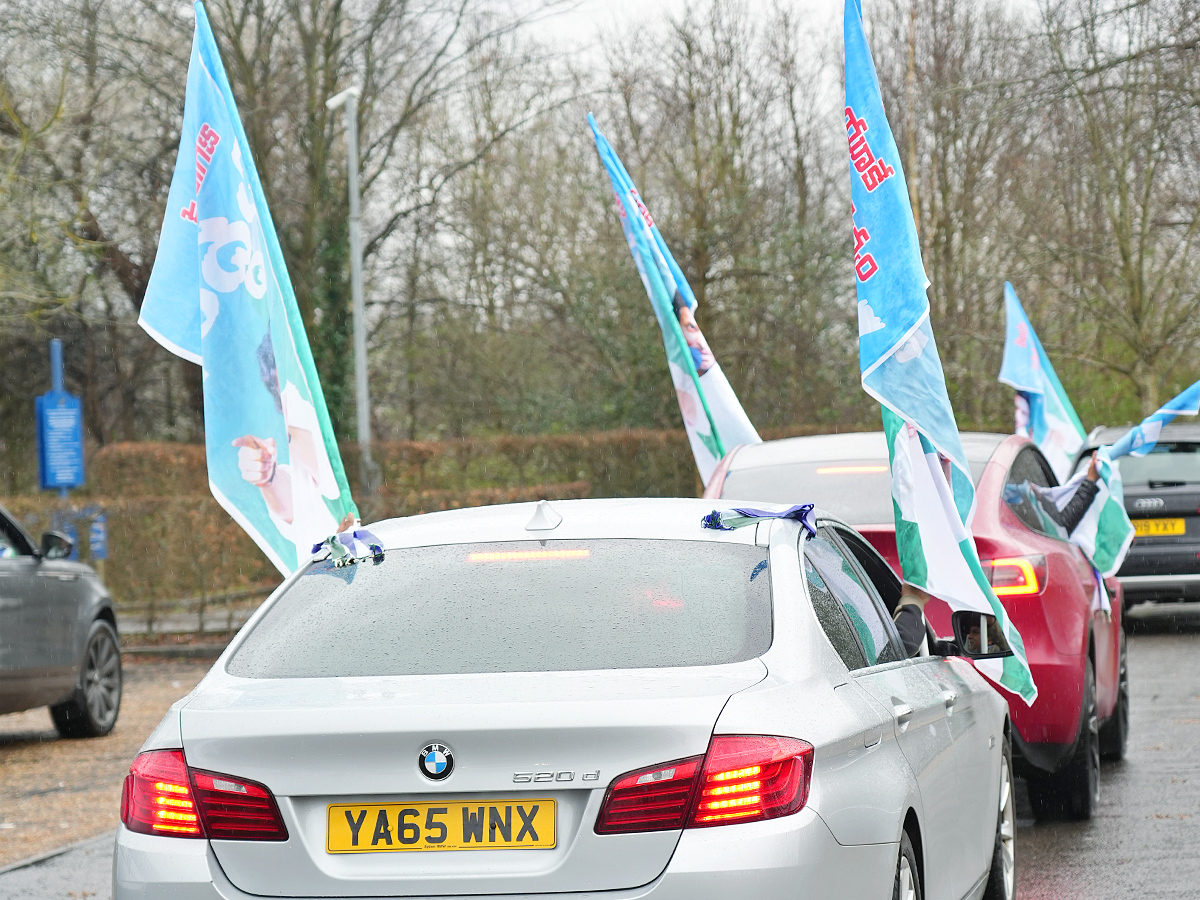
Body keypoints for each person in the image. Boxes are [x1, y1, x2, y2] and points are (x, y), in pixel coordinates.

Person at [232, 333, 340, 552]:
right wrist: (267, 476)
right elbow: (294, 510)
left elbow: (332, 476)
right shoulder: (285, 430)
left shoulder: (314, 416)